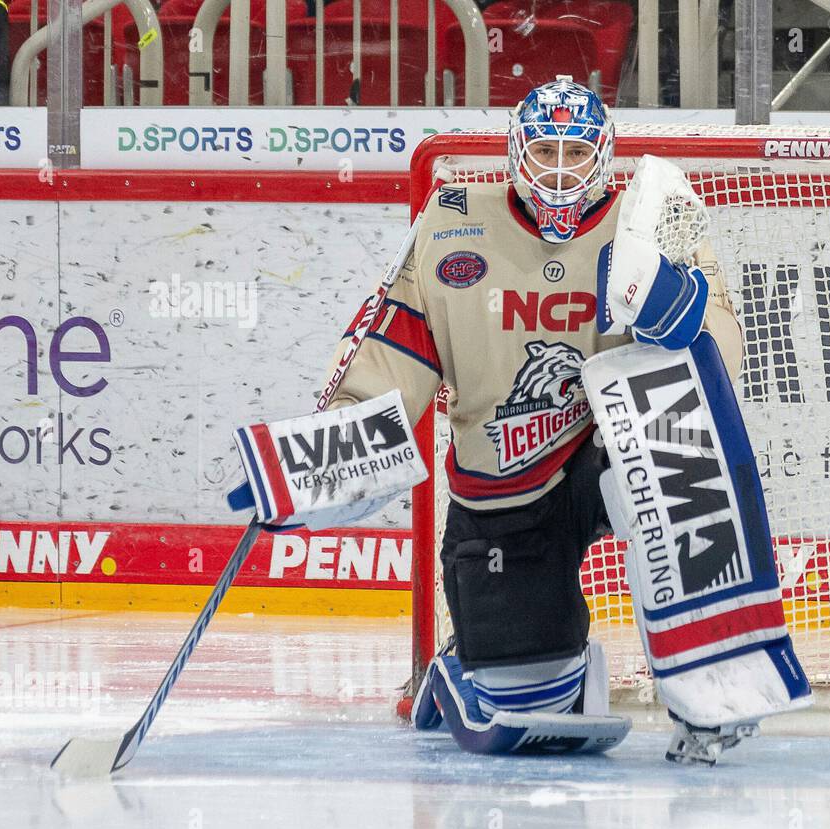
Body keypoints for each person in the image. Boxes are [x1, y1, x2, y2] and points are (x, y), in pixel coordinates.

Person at [320, 77, 755, 759]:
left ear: (604, 156)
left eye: (575, 152)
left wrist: (683, 314)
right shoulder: (451, 221)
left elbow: (723, 360)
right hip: (506, 477)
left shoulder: (658, 215)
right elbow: (393, 351)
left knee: (682, 448)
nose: (558, 168)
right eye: (544, 149)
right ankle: (482, 664)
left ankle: (709, 678)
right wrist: (334, 450)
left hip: (618, 451)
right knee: (532, 721)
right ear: (515, 153)